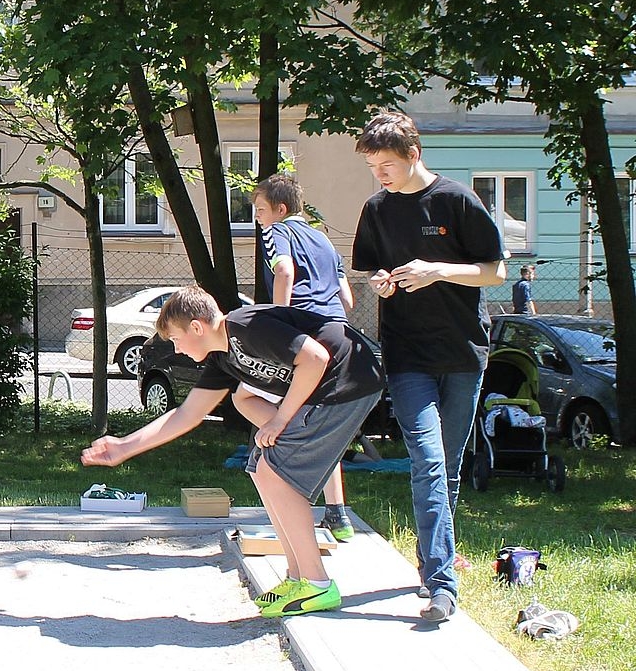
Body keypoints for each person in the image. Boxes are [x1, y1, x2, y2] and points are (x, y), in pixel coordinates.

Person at [82, 287, 385, 616]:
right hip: (327, 388)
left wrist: (280, 419)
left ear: (196, 327)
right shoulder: (222, 358)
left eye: (177, 340)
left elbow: (315, 358)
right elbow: (188, 414)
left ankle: (317, 583)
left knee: (275, 472)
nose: (177, 349)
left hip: (348, 378)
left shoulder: (246, 326)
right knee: (260, 467)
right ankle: (298, 576)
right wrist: (125, 446)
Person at [352, 111, 506, 624]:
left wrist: (437, 270)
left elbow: (495, 272)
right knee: (428, 461)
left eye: (387, 165)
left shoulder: (457, 200)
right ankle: (442, 584)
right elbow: (371, 269)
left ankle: (430, 560)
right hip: (406, 355)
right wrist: (381, 283)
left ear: (414, 154)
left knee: (449, 468)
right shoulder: (376, 209)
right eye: (373, 167)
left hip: (463, 353)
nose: (380, 175)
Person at [252, 173, 359, 543]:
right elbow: (347, 297)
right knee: (321, 420)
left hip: (305, 334)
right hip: (338, 332)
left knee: (254, 402)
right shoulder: (323, 239)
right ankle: (337, 514)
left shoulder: (278, 232)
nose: (258, 218)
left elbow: (284, 270)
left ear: (280, 209)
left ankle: (286, 496)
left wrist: (279, 323)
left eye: (261, 210)